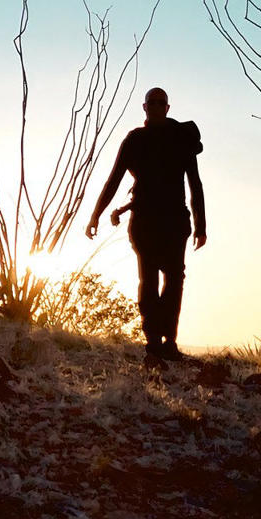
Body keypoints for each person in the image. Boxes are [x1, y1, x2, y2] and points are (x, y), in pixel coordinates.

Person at [86, 87, 206, 361]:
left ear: (167, 107)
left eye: (160, 102)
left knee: (175, 279)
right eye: (151, 102)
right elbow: (113, 179)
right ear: (144, 107)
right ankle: (153, 340)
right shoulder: (134, 140)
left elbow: (194, 184)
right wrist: (95, 214)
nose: (155, 106)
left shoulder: (181, 138)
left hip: (175, 221)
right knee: (149, 279)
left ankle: (169, 340)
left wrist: (201, 225)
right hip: (144, 222)